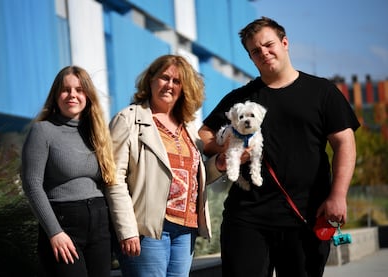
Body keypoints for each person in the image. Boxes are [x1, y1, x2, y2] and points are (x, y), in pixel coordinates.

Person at [199, 17, 360, 277]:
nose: (263, 52)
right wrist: (226, 148)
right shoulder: (240, 99)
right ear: (251, 58)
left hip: (305, 216)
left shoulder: (322, 91)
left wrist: (338, 196)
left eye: (268, 44)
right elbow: (204, 134)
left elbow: (345, 144)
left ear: (285, 43)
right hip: (246, 217)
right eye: (255, 51)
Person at [106, 54, 211, 276]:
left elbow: (194, 176)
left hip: (186, 229)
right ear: (151, 79)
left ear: (184, 88)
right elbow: (114, 179)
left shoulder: (190, 127)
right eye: (164, 77)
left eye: (177, 81)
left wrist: (220, 165)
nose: (169, 85)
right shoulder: (128, 119)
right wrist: (127, 230)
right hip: (148, 230)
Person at [21, 65, 116, 277]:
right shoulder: (43, 131)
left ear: (88, 96)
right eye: (65, 89)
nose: (72, 95)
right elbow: (32, 184)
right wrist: (54, 232)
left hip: (100, 226)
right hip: (64, 226)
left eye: (79, 90)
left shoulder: (97, 134)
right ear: (56, 95)